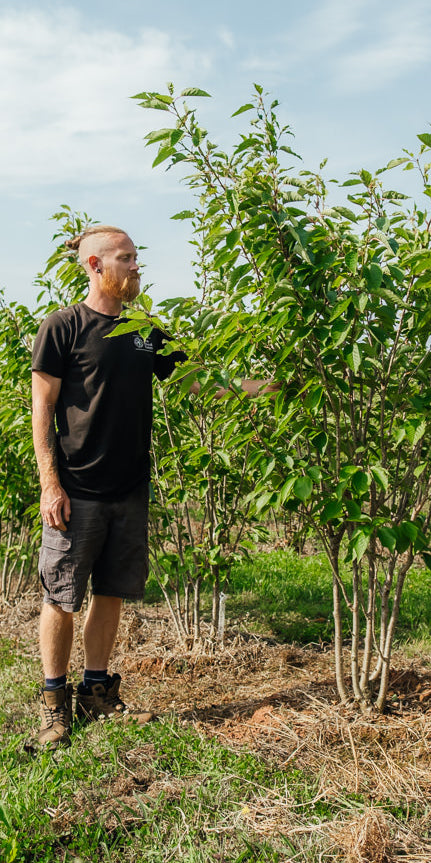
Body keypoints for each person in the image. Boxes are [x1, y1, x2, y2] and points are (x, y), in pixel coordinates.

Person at [31, 225, 272, 748]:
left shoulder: (145, 332)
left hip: (129, 491)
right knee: (61, 597)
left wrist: (270, 386)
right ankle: (54, 705)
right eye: (126, 258)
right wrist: (51, 485)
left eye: (137, 257)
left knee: (111, 593)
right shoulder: (63, 328)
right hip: (77, 489)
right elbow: (42, 410)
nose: (136, 267)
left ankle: (97, 693)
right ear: (95, 265)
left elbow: (202, 381)